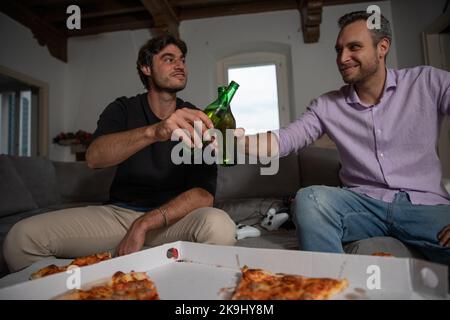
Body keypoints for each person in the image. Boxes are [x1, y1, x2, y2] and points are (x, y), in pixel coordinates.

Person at [3, 35, 236, 272]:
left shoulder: (197, 118)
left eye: (182, 59)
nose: (180, 65)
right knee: (20, 240)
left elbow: (204, 195)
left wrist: (145, 223)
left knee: (220, 227)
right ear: (146, 68)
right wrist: (156, 131)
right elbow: (94, 158)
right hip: (120, 215)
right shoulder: (122, 109)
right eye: (169, 59)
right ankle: (89, 290)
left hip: (174, 219)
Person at [237, 11, 450, 267]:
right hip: (362, 207)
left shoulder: (427, 82)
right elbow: (285, 139)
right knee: (310, 199)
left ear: (382, 47)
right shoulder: (327, 105)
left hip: (425, 207)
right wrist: (235, 142)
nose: (342, 58)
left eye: (354, 47)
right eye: (339, 50)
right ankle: (331, 287)